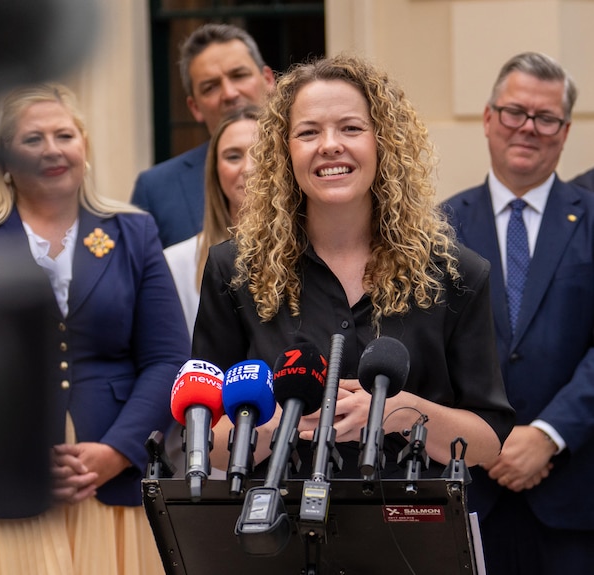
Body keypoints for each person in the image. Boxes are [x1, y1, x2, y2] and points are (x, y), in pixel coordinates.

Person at [192, 54, 515, 483]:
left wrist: (394, 412)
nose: (330, 145)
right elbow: (204, 441)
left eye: (351, 128)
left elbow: (487, 440)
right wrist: (280, 420)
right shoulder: (233, 270)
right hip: (275, 531)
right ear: (283, 152)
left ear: (383, 142)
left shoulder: (457, 275)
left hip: (411, 534)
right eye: (308, 132)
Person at [0, 83, 190, 575]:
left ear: (83, 148)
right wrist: (15, 453)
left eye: (63, 135)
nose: (51, 149)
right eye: (32, 139)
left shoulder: (134, 233)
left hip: (110, 484)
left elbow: (168, 358)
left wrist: (117, 450)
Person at [444, 52, 594, 575]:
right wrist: (486, 443)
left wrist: (550, 433)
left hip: (573, 500)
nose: (528, 128)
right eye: (514, 112)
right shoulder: (437, 228)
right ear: (488, 118)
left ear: (566, 130)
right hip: (468, 498)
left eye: (545, 117)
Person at [131, 23, 274, 249]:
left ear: (268, 79)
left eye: (239, 75)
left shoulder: (310, 164)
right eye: (210, 87)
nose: (229, 93)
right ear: (194, 107)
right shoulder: (156, 190)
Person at [164, 105, 260, 339]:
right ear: (215, 170)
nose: (248, 168)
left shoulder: (315, 254)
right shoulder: (176, 263)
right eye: (233, 156)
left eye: (262, 153)